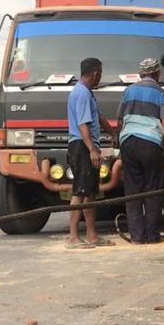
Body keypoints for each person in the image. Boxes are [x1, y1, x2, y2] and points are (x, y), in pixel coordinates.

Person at [115, 57, 164, 244]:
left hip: (128, 142)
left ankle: (136, 236)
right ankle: (151, 235)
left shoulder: (128, 91)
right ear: (157, 73)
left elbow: (119, 120)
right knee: (153, 189)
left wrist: (119, 144)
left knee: (133, 190)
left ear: (141, 74)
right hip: (150, 144)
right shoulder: (161, 94)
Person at [66, 57, 117, 248]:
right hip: (81, 145)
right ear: (95, 73)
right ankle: (73, 237)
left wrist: (112, 132)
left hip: (86, 145)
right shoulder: (81, 94)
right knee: (80, 191)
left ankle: (92, 235)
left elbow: (98, 116)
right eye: (100, 74)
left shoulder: (87, 94)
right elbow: (82, 124)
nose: (100, 78)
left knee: (90, 192)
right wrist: (92, 150)